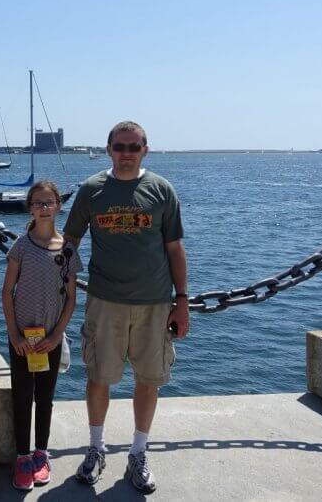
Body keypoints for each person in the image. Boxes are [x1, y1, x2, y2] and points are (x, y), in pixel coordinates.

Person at [64, 121, 190, 493]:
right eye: (120, 147)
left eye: (134, 147)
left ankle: (138, 452)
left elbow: (174, 249)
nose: (126, 154)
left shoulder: (162, 191)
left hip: (154, 303)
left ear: (145, 150)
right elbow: (70, 239)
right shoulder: (91, 190)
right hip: (104, 302)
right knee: (98, 376)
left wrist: (181, 301)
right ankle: (96, 448)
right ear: (108, 149)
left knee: (148, 380)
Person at [1, 180, 81, 491]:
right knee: (22, 397)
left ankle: (40, 453)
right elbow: (7, 292)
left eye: (49, 203)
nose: (44, 208)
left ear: (59, 205)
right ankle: (22, 457)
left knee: (45, 398)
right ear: (30, 207)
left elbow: (71, 298)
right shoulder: (21, 246)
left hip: (50, 338)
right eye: (38, 203)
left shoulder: (68, 250)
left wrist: (58, 334)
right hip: (23, 338)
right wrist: (14, 334)